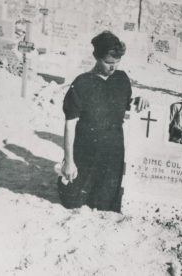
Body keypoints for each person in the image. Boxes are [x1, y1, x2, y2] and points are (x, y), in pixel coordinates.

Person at [59, 30, 148, 211]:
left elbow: (120, 104)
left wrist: (137, 101)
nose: (113, 67)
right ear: (96, 57)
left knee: (105, 204)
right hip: (86, 153)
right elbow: (70, 124)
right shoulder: (82, 83)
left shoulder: (121, 79)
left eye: (117, 62)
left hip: (112, 153)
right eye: (108, 62)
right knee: (71, 202)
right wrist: (69, 161)